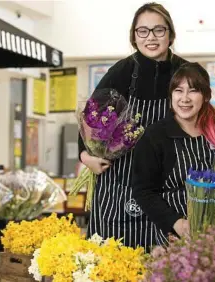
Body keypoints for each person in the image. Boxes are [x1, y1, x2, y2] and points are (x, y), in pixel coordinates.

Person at [77, 2, 188, 251]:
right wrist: (86, 156)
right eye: (143, 31)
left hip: (168, 185)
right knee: (112, 260)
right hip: (119, 182)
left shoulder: (185, 72)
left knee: (166, 264)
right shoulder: (122, 72)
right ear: (134, 36)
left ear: (170, 35)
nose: (151, 37)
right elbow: (90, 120)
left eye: (159, 30)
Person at [131, 62, 215, 247]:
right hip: (174, 237)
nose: (184, 98)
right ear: (171, 95)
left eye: (193, 90)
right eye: (179, 90)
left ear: (205, 96)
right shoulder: (155, 136)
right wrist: (177, 223)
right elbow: (144, 192)